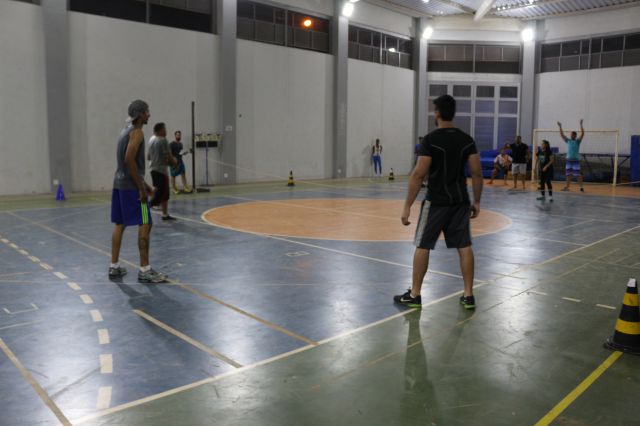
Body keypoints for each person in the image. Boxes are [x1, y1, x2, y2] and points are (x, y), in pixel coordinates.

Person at [395, 94, 483, 310]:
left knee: (423, 246)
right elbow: (477, 172)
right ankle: (468, 295)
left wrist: (407, 205)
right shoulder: (466, 139)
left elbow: (418, 174)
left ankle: (415, 295)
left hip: (436, 202)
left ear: (437, 113)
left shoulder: (430, 140)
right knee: (464, 246)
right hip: (460, 202)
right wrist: (477, 201)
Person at [109, 100, 168, 283]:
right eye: (147, 111)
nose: (149, 114)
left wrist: (147, 186)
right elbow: (129, 160)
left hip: (119, 185)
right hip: (132, 189)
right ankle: (145, 270)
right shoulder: (137, 133)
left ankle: (114, 267)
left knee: (120, 223)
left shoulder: (124, 131)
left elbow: (125, 164)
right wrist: (142, 189)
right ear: (141, 114)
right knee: (145, 222)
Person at [148, 122, 177, 221]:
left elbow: (148, 157)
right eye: (165, 129)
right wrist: (174, 162)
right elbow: (168, 156)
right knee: (158, 197)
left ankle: (165, 214)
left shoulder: (151, 139)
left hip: (153, 170)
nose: (166, 131)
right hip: (161, 172)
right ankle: (142, 212)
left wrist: (160, 160)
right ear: (160, 130)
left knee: (164, 194)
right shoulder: (163, 140)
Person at [558, 119, 585, 192]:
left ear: (575, 135)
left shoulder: (578, 141)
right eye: (571, 134)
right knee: (568, 175)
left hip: (576, 160)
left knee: (578, 174)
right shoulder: (568, 141)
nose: (572, 135)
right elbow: (562, 135)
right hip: (569, 160)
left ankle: (581, 187)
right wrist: (560, 126)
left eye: (573, 134)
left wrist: (581, 125)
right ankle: (567, 187)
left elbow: (582, 134)